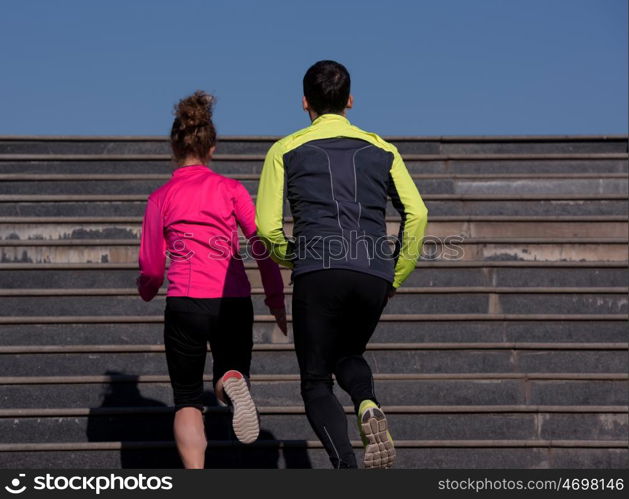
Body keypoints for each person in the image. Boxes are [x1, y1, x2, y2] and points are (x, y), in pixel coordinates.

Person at [256, 61, 428, 469]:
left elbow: (265, 227)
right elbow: (417, 214)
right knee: (348, 352)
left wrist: (291, 255)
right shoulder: (384, 149)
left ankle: (346, 467)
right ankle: (367, 402)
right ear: (349, 100)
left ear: (304, 103)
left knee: (316, 382)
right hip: (372, 270)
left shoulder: (284, 149)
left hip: (318, 268)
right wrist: (396, 274)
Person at [137, 91, 287, 469]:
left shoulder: (160, 198)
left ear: (174, 145)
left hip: (185, 303)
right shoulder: (231, 189)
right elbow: (261, 244)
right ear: (212, 148)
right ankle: (232, 382)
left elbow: (153, 268)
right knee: (228, 373)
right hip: (232, 299)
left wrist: (148, 289)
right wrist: (275, 298)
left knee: (188, 398)